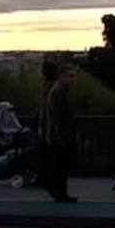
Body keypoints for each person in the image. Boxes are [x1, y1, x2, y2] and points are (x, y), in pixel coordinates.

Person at [43, 66, 78, 203]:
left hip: (56, 137)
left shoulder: (57, 91)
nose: (73, 80)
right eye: (71, 77)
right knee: (60, 168)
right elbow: (57, 117)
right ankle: (60, 194)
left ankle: (60, 193)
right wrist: (62, 136)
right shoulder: (58, 92)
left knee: (60, 167)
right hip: (58, 138)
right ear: (63, 76)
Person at [36, 60, 58, 196]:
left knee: (47, 159)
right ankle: (54, 186)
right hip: (51, 128)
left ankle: (49, 183)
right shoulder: (55, 88)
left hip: (46, 128)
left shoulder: (47, 89)